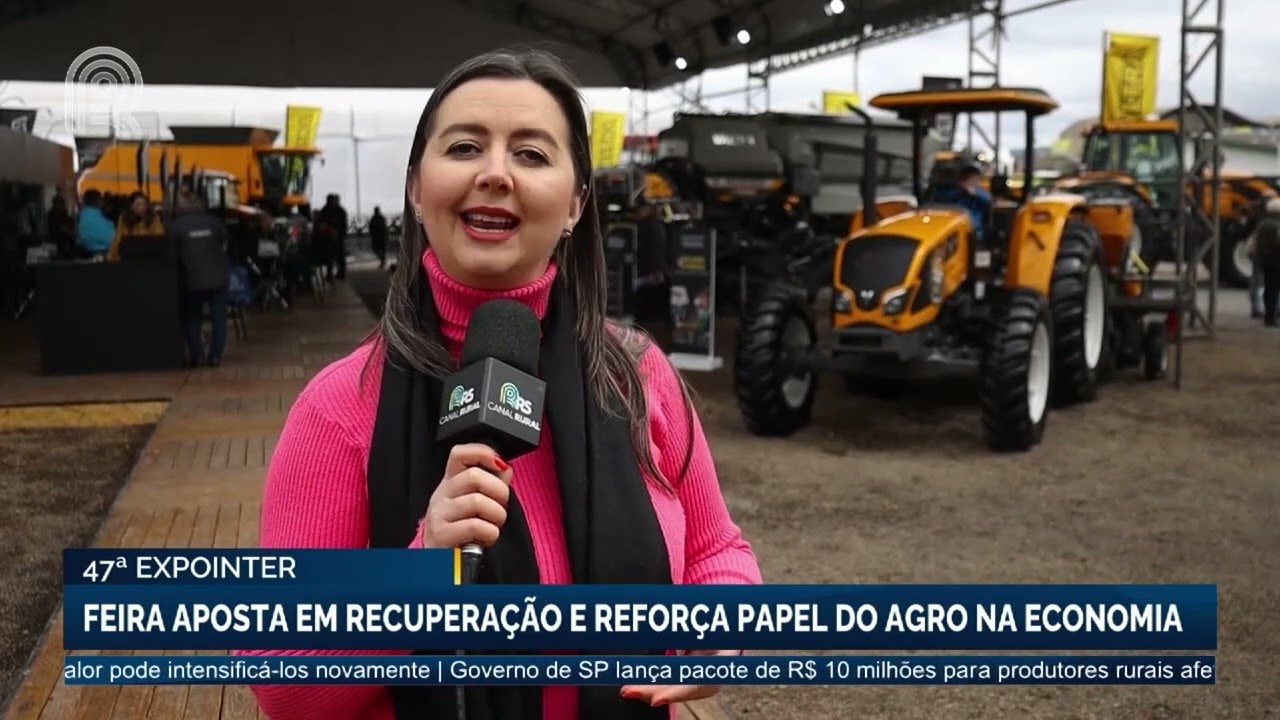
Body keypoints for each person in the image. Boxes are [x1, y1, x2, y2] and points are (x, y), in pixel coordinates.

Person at [239, 48, 762, 720]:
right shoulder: (340, 408)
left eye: (532, 154)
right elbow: (284, 685)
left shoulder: (636, 374)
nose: (494, 174)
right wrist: (422, 571)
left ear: (576, 204)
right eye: (464, 147)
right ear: (416, 188)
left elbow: (717, 550)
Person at [169, 191, 231, 366]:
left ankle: (198, 355)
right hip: (218, 278)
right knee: (219, 319)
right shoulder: (215, 223)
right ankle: (216, 355)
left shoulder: (176, 226)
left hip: (192, 280)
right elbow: (225, 244)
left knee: (192, 318)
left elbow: (173, 255)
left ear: (181, 207)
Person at [932, 164, 992, 242]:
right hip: (954, 227)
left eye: (976, 179)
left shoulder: (980, 192)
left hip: (974, 229)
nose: (974, 182)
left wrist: (974, 194)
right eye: (970, 179)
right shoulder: (953, 191)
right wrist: (961, 191)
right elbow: (941, 199)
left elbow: (988, 200)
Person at [107, 191, 166, 260]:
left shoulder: (153, 218)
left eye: (145, 204)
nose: (142, 208)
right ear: (131, 206)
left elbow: (159, 238)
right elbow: (118, 239)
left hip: (150, 257)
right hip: (129, 257)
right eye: (138, 204)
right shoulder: (124, 218)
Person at [1251, 197, 1280, 327]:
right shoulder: (1277, 224)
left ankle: (1269, 316)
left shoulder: (1262, 223)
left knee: (1269, 289)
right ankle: (1274, 315)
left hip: (1265, 261)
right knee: (1274, 290)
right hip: (1277, 260)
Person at [76, 190, 114, 258]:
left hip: (90, 252)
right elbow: (111, 239)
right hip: (102, 253)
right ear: (98, 201)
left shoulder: (84, 216)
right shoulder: (94, 218)